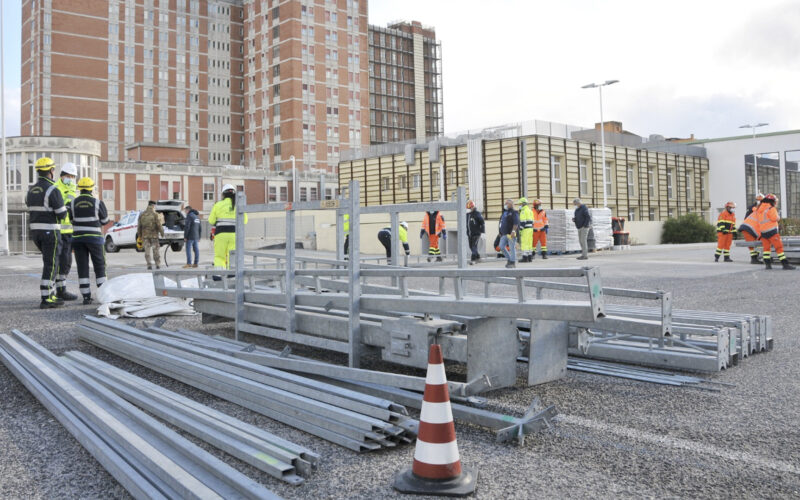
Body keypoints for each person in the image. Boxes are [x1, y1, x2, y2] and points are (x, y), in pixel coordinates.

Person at [26, 157, 68, 308]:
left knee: (48, 263)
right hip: (50, 231)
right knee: (51, 264)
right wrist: (66, 207)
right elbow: (62, 214)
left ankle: (51, 294)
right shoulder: (53, 189)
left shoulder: (31, 189)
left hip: (36, 232)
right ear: (51, 170)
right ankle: (46, 298)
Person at [69, 177, 109, 304]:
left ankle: (86, 296)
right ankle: (103, 294)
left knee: (82, 266)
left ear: (79, 189)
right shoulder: (98, 203)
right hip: (95, 239)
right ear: (91, 188)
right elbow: (105, 221)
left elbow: (70, 219)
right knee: (99, 266)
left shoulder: (72, 203)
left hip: (78, 239)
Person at [54, 162, 79, 300]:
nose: (71, 178)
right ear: (62, 175)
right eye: (69, 176)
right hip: (57, 231)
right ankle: (58, 290)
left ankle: (61, 289)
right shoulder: (55, 188)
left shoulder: (73, 188)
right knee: (56, 262)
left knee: (66, 262)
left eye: (73, 176)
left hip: (68, 231)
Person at [209, 184, 248, 269]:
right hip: (234, 234)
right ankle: (231, 274)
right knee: (232, 256)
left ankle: (218, 275)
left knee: (220, 256)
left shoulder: (218, 205)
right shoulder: (238, 205)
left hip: (220, 234)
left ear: (223, 194)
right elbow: (244, 221)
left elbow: (211, 221)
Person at [758, 194, 795, 270]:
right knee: (779, 248)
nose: (775, 203)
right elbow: (774, 218)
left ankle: (768, 265)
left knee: (766, 249)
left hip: (763, 232)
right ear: (772, 201)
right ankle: (785, 264)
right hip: (772, 231)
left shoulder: (760, 209)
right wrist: (778, 217)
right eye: (775, 201)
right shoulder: (771, 208)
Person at [137, 200, 163, 270]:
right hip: (154, 236)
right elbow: (159, 225)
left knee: (147, 251)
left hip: (145, 236)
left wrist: (139, 236)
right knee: (156, 250)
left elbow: (139, 226)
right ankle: (157, 264)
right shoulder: (155, 214)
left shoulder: (142, 214)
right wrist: (162, 233)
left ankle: (149, 265)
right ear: (153, 206)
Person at [738, 198, 763, 264]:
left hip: (748, 228)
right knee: (754, 245)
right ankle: (754, 259)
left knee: (756, 244)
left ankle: (755, 258)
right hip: (749, 229)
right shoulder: (760, 211)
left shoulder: (758, 210)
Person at [498, 199, 519, 268]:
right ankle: (509, 259)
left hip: (511, 234)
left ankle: (512, 262)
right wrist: (500, 232)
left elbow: (516, 223)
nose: (505, 205)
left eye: (507, 203)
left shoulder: (514, 212)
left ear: (511, 205)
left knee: (511, 248)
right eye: (505, 203)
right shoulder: (504, 213)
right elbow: (501, 223)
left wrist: (513, 231)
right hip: (504, 234)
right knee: (501, 246)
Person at [465, 200, 485, 264]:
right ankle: (478, 257)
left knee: (474, 246)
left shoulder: (477, 213)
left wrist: (482, 231)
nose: (468, 209)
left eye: (469, 208)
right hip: (469, 233)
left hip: (476, 233)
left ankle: (473, 259)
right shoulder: (467, 215)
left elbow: (482, 222)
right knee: (471, 246)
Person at [518, 197, 534, 262]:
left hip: (525, 229)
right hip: (530, 229)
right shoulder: (530, 210)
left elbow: (523, 221)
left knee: (524, 243)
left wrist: (520, 230)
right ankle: (530, 257)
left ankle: (525, 258)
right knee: (529, 243)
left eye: (520, 204)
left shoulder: (523, 211)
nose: (519, 205)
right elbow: (533, 221)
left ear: (523, 204)